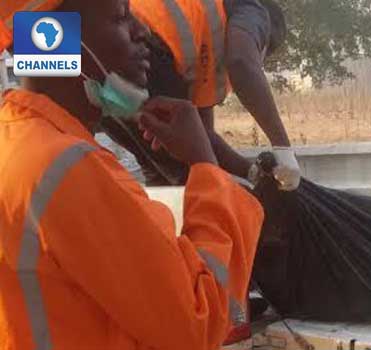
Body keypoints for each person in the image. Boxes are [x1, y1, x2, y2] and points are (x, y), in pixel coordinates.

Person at [0, 0, 263, 349]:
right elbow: (196, 322)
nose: (143, 32)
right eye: (121, 18)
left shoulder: (16, 141)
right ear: (59, 40)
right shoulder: (70, 170)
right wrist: (205, 164)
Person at [101, 0, 301, 190]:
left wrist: (252, 173)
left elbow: (201, 134)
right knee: (196, 177)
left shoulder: (204, 34)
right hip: (139, 41)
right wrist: (282, 147)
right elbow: (242, 62)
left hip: (82, 36)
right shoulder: (252, 9)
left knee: (162, 170)